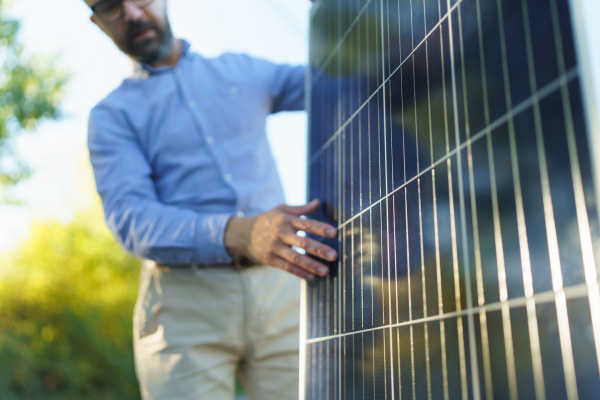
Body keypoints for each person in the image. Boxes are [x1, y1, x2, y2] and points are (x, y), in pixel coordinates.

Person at [83, 0, 338, 398]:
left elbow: (335, 86)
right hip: (182, 309)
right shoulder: (112, 116)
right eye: (111, 6)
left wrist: (414, 54)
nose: (132, 13)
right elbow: (133, 219)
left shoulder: (243, 70)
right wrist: (239, 232)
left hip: (284, 290)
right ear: (98, 23)